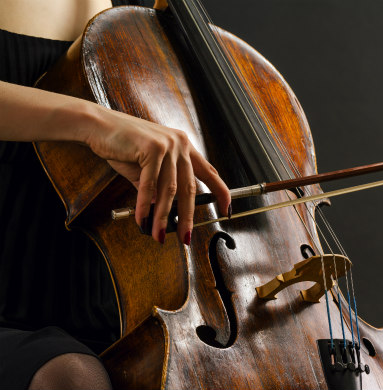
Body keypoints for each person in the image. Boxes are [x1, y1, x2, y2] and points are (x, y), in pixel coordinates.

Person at [0, 0, 231, 388]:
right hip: (15, 322)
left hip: (120, 313)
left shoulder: (139, 9)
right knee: (72, 380)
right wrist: (94, 122)